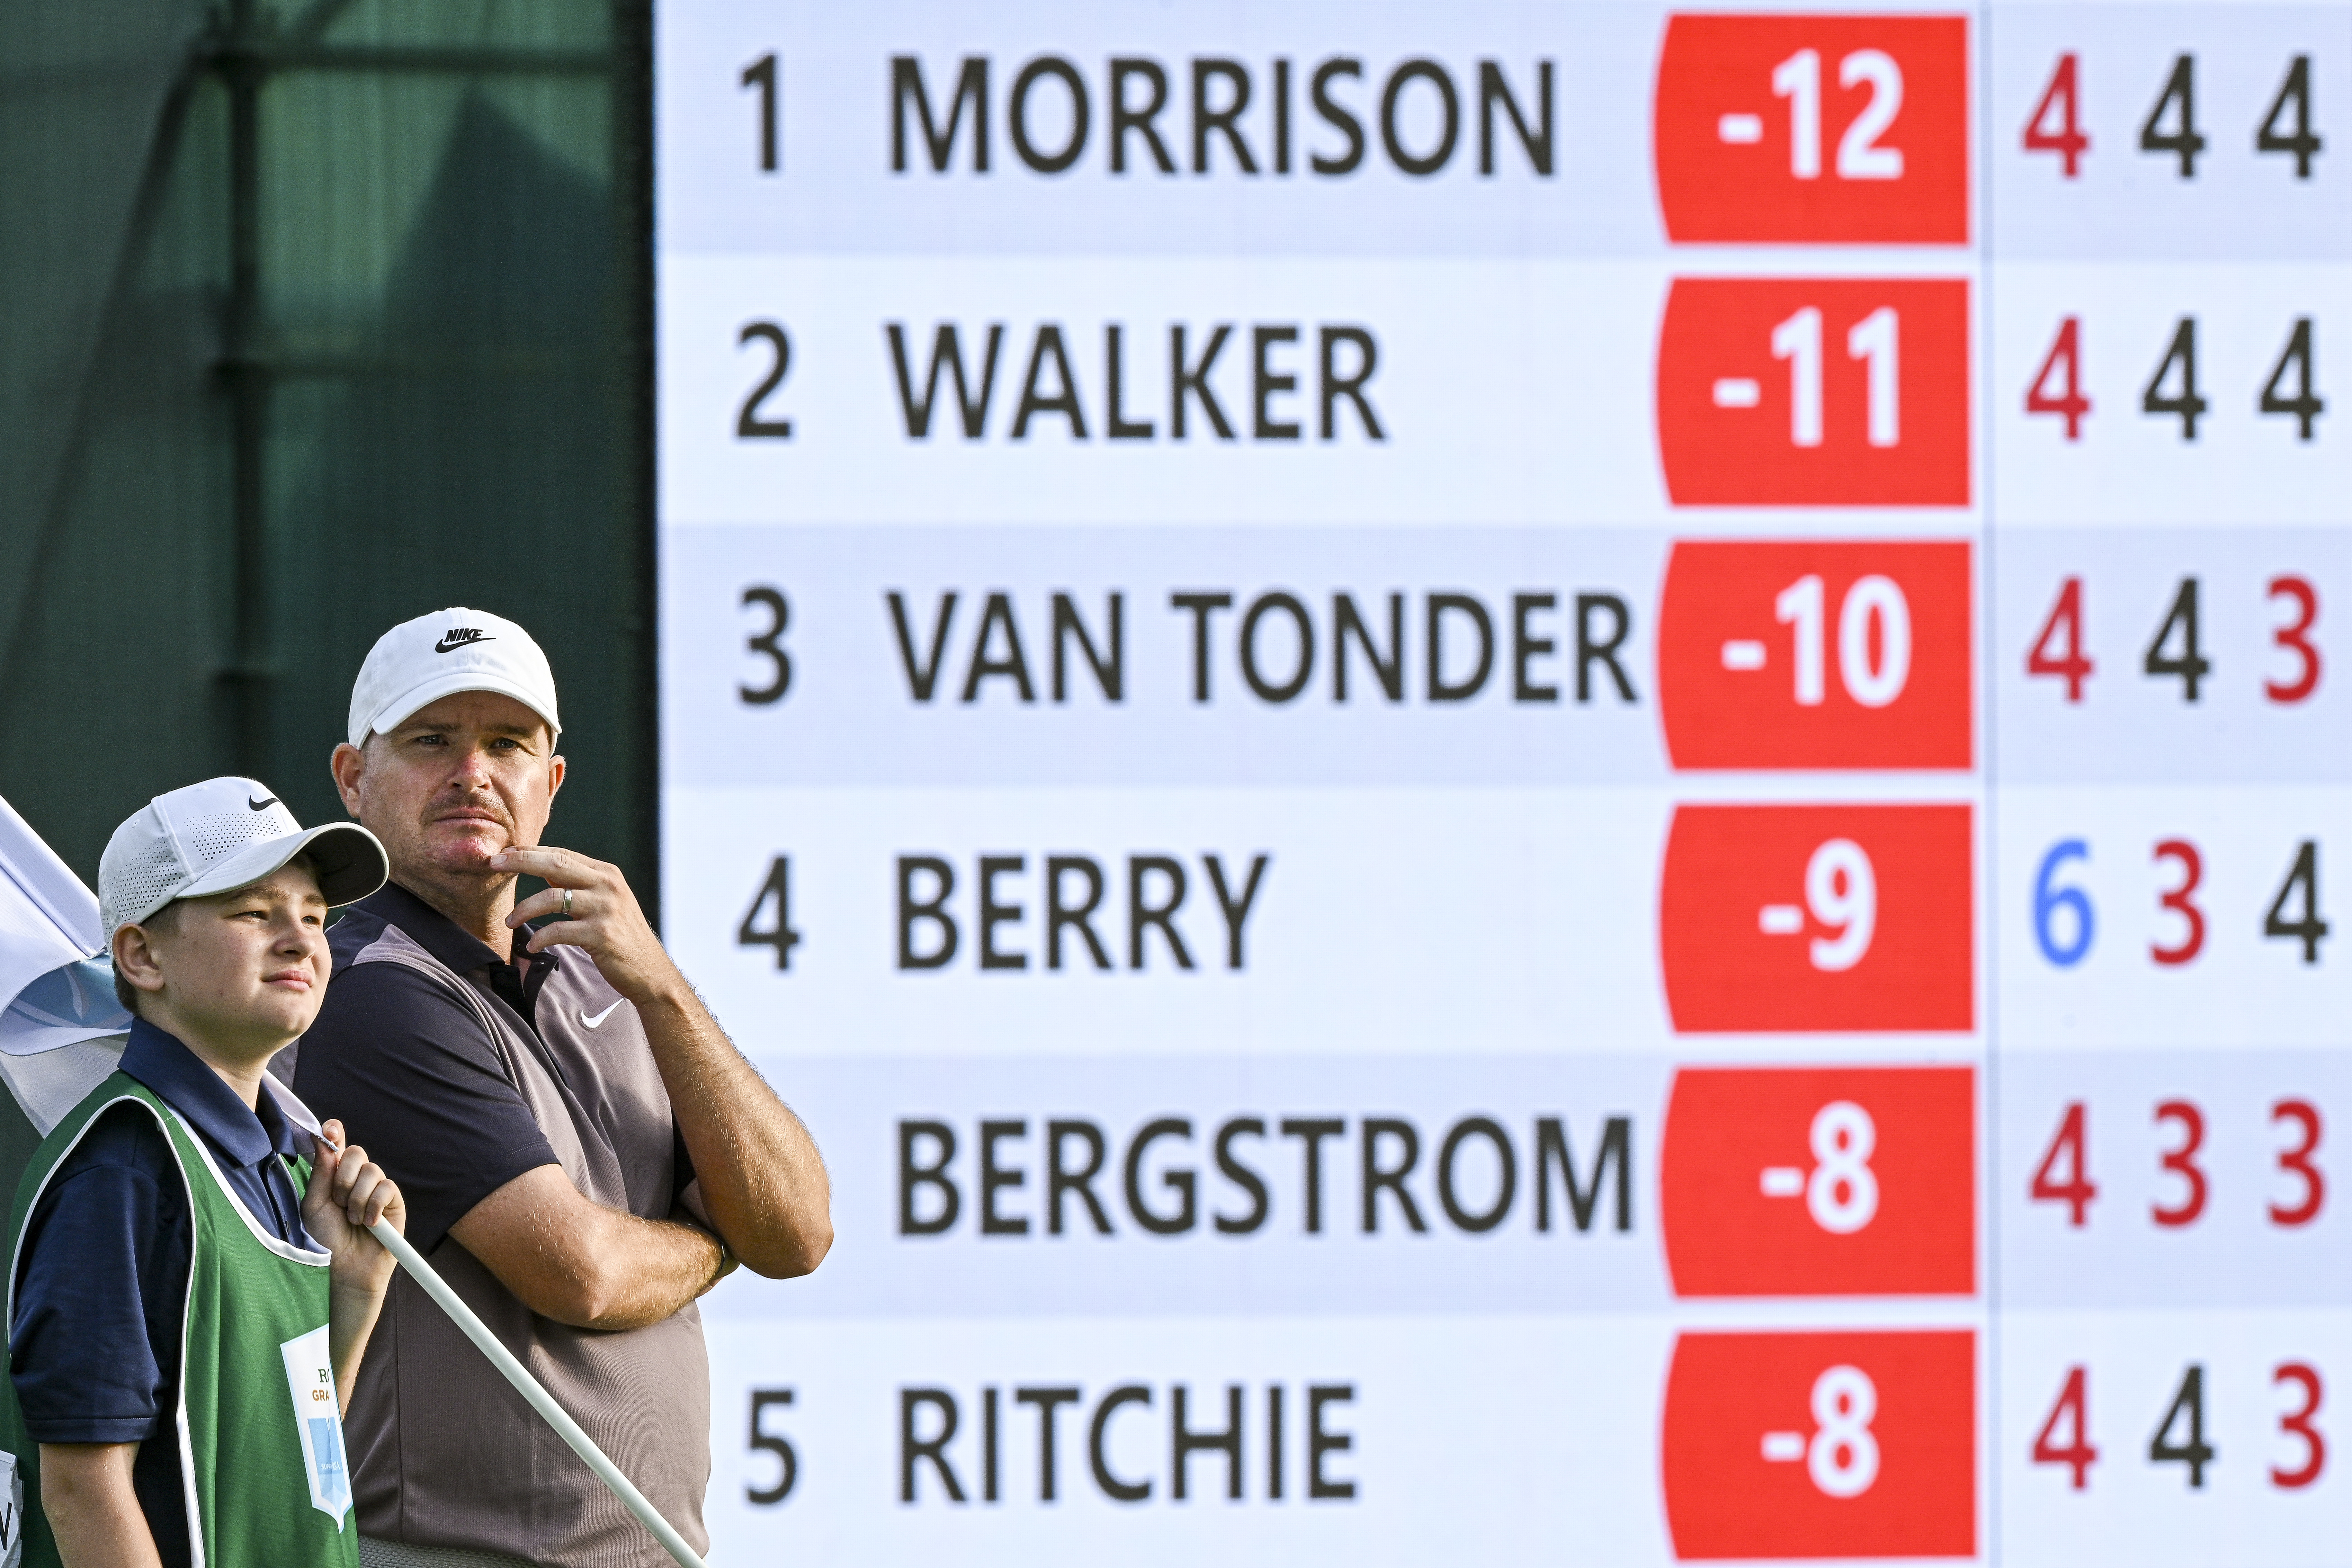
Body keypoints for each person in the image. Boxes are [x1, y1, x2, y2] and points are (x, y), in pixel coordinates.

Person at [288, 607, 832, 1568]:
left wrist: (660, 984)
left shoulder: (607, 972)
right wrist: (717, 1240)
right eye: (431, 741)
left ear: (551, 782)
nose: (473, 774)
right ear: (353, 780)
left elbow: (797, 1230)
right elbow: (579, 1272)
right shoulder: (366, 987)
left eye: (508, 743)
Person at [0, 778, 404, 1568]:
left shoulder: (288, 1172)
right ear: (141, 955)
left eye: (315, 916)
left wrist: (353, 1296)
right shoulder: (124, 1170)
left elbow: (301, 1458)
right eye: (255, 913)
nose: (300, 940)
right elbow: (81, 1490)